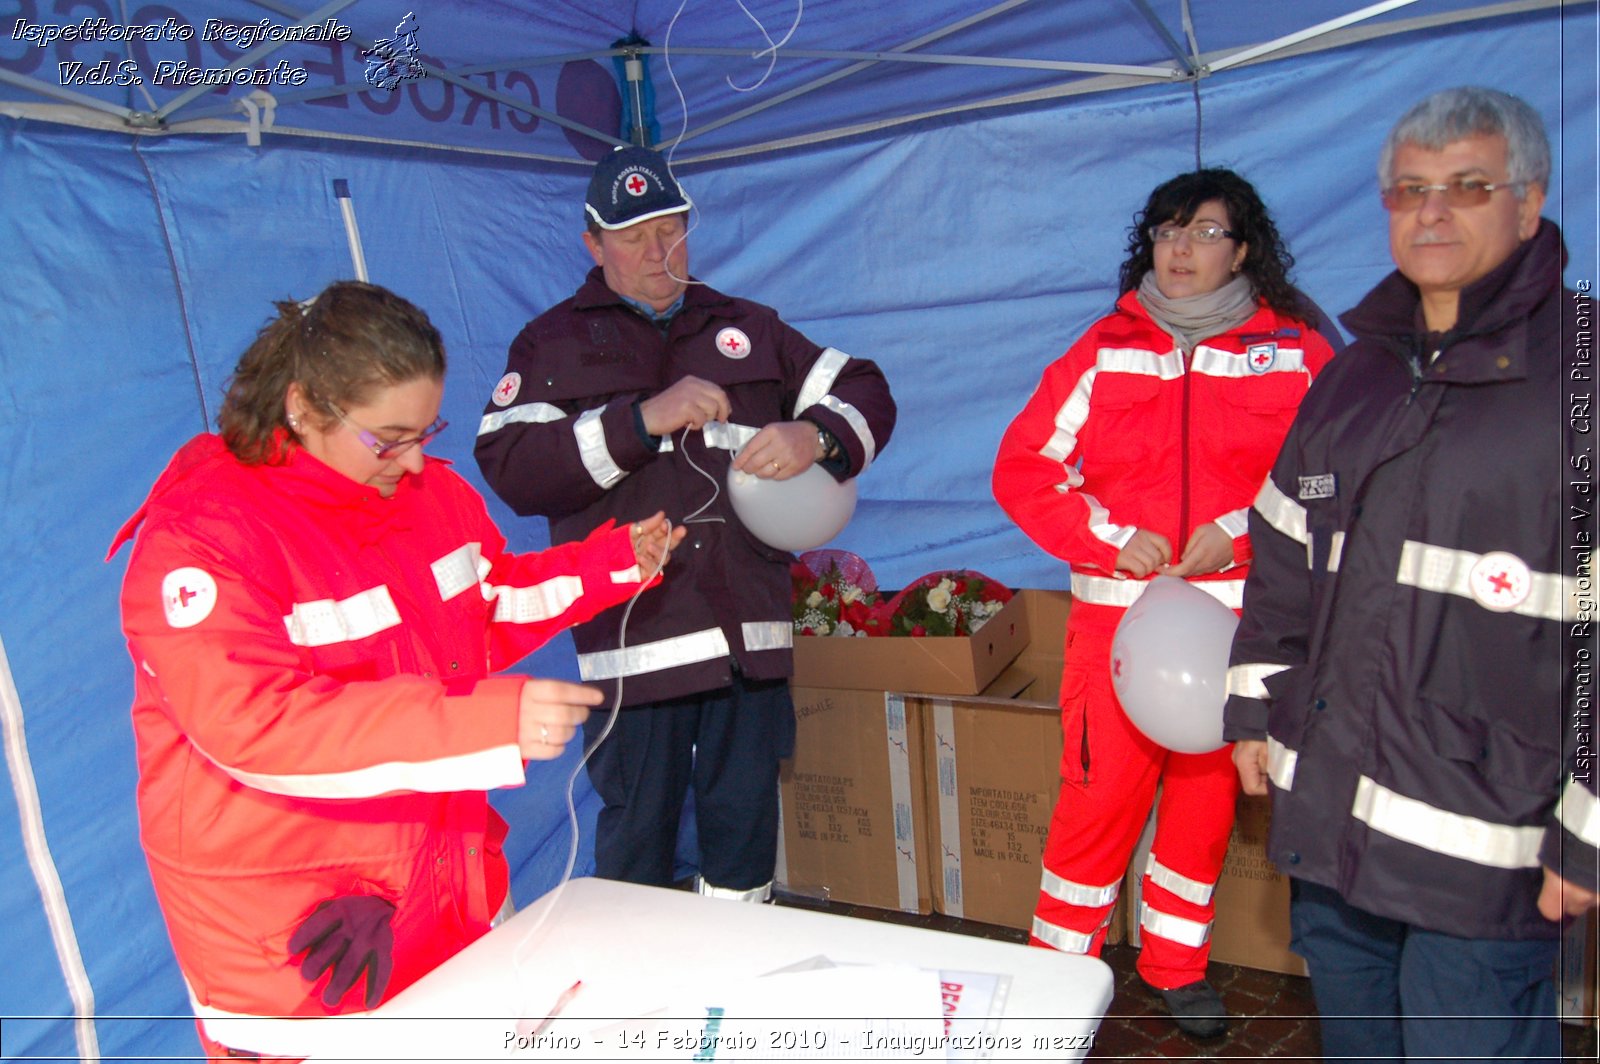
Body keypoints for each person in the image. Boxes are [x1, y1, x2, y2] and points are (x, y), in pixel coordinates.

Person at [109, 281, 684, 1061]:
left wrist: (615, 564)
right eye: (389, 437)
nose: (415, 459)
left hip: (435, 891)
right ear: (304, 408)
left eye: (426, 429)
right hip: (299, 942)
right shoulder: (204, 540)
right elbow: (255, 728)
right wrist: (489, 721)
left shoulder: (426, 495)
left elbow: (487, 605)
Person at [1224, 86, 1598, 1062]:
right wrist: (1254, 705)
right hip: (1332, 826)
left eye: (1465, 186)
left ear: (1529, 202)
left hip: (1484, 852)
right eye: (1407, 188)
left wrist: (1589, 830)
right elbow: (1279, 548)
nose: (1430, 211)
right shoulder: (1355, 375)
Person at [475, 146, 896, 902]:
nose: (656, 252)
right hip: (636, 650)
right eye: (633, 237)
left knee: (743, 847)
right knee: (638, 852)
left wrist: (816, 437)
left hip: (749, 643)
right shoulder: (551, 344)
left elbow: (865, 387)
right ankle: (638, 1011)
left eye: (671, 231)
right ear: (592, 244)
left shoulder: (747, 325)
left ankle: (734, 1003)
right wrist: (640, 421)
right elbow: (511, 465)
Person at [992, 168, 1336, 1038]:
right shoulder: (1103, 348)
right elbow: (1024, 468)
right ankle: (1054, 983)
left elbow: (1335, 475)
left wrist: (1242, 529)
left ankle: (1176, 967)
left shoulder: (1297, 350)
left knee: (1205, 808)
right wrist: (1108, 537)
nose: (1181, 250)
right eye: (1166, 232)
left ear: (1243, 248)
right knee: (1095, 803)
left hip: (1235, 629)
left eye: (1204, 233)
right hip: (1117, 623)